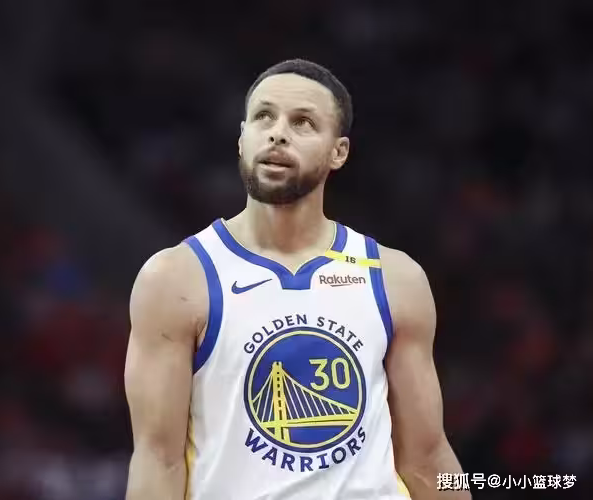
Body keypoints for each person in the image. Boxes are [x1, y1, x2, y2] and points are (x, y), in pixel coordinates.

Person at [124, 59, 470, 500]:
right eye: (263, 117)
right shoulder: (176, 279)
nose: (277, 133)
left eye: (302, 122)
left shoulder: (394, 277)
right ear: (242, 138)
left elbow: (427, 458)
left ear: (338, 152)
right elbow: (158, 460)